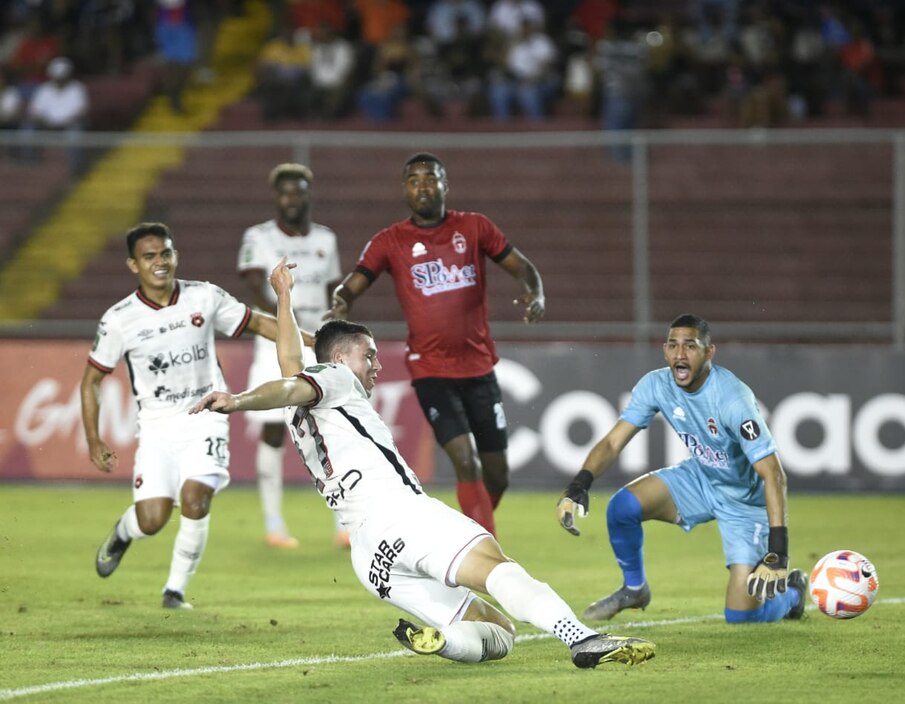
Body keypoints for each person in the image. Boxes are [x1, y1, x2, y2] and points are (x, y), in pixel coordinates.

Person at [188, 258, 656, 668]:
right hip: (401, 514)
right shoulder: (335, 378)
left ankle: (444, 640)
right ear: (337, 359)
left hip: (369, 555)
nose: (376, 365)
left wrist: (284, 298)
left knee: (500, 633)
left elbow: (290, 372)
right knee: (499, 568)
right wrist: (239, 400)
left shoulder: (308, 399)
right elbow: (291, 382)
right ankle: (584, 639)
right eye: (368, 355)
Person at [81, 222, 309, 609]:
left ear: (176, 255)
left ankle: (174, 590)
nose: (160, 262)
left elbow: (254, 321)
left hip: (206, 414)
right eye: (149, 256)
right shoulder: (119, 319)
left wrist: (309, 339)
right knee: (152, 520)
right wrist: (94, 439)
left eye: (166, 253)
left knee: (195, 496)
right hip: (156, 427)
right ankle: (124, 532)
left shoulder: (203, 296)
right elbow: (91, 382)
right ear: (133, 265)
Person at [324, 152, 545, 537]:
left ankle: (464, 533)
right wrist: (342, 303)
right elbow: (354, 282)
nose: (423, 185)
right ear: (404, 188)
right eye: (414, 179)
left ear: (445, 185)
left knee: (498, 475)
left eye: (431, 178)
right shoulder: (391, 240)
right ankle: (485, 552)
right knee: (466, 462)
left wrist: (535, 293)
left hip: (479, 369)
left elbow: (522, 267)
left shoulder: (474, 228)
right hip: (430, 370)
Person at [556, 314, 808, 624]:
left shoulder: (732, 398)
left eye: (690, 346)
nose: (680, 354)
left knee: (741, 616)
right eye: (673, 346)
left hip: (744, 500)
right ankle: (635, 588)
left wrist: (778, 552)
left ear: (709, 352)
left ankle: (794, 593)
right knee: (622, 507)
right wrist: (579, 485)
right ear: (664, 351)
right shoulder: (657, 385)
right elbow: (612, 443)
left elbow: (774, 474)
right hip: (701, 478)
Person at [237, 163, 343, 549]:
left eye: (298, 192)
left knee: (332, 427)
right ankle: (274, 524)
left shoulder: (326, 239)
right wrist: (288, 326)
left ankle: (345, 524)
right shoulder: (258, 237)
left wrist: (334, 328)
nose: (291, 199)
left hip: (320, 342)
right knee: (273, 429)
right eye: (284, 193)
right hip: (275, 342)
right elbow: (253, 286)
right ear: (276, 197)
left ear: (307, 195)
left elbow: (335, 291)